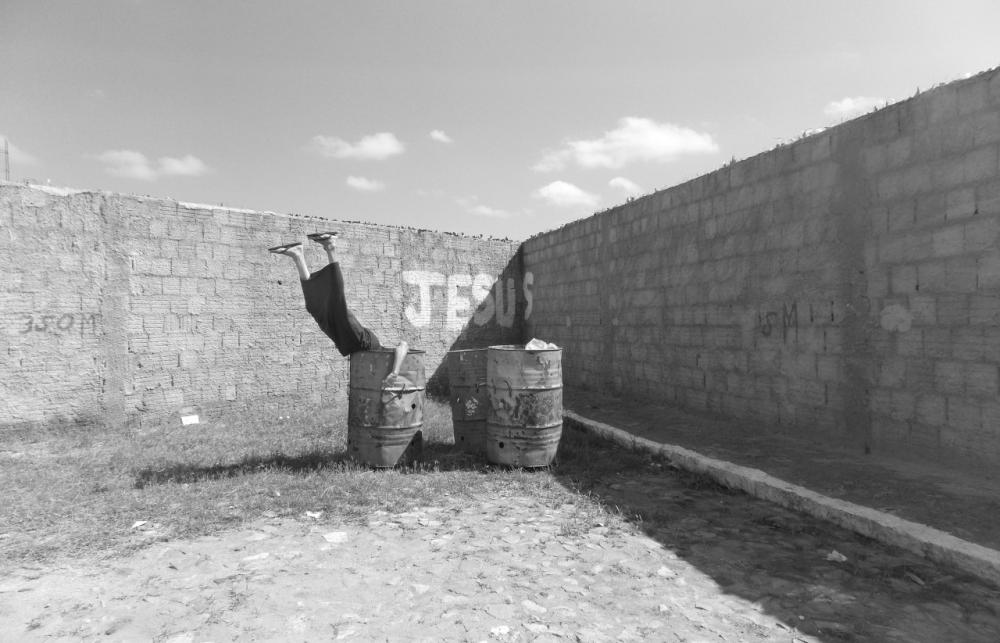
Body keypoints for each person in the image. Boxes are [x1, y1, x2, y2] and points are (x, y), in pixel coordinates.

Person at [269, 231, 409, 386]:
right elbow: (403, 345)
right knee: (337, 304)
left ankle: (298, 255)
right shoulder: (389, 360)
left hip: (348, 345)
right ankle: (330, 246)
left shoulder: (375, 374)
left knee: (314, 308)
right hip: (364, 343)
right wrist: (395, 372)